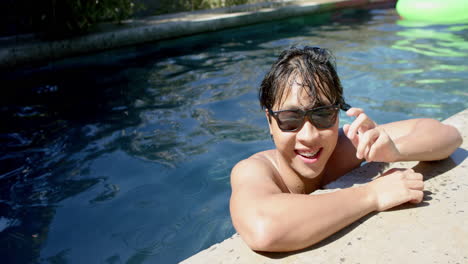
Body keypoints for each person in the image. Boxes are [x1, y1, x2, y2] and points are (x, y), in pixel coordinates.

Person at [229, 46, 462, 252]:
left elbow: (448, 136)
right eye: (290, 119)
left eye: (322, 114)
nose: (309, 136)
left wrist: (395, 150)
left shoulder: (345, 146)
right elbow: (264, 228)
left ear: (338, 115)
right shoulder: (256, 170)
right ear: (270, 121)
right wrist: (372, 195)